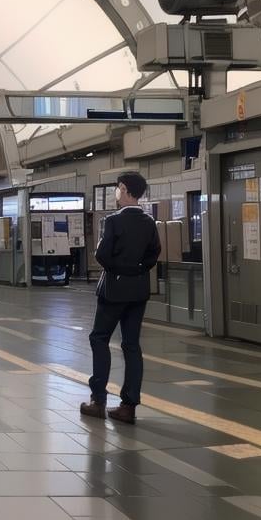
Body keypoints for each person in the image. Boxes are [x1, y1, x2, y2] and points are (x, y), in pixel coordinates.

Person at [80, 172, 161, 425]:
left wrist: (119, 270)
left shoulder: (113, 221)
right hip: (138, 290)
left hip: (114, 290)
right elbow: (153, 253)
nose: (117, 192)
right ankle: (128, 406)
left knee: (99, 338)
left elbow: (102, 255)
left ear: (124, 189)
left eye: (118, 188)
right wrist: (136, 271)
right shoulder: (149, 222)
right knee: (132, 345)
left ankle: (98, 400)